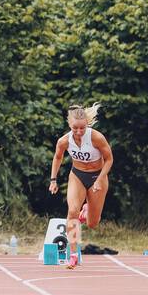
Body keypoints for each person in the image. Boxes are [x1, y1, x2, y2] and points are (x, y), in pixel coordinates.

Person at [47, 104, 113, 269]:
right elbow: (57, 158)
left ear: (87, 124)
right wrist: (53, 180)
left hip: (98, 176)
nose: (79, 131)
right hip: (77, 175)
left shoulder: (96, 137)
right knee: (71, 211)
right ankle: (73, 255)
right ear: (69, 125)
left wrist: (99, 180)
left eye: (82, 128)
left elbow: (110, 159)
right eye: (75, 128)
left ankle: (86, 212)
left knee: (92, 223)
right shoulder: (64, 141)